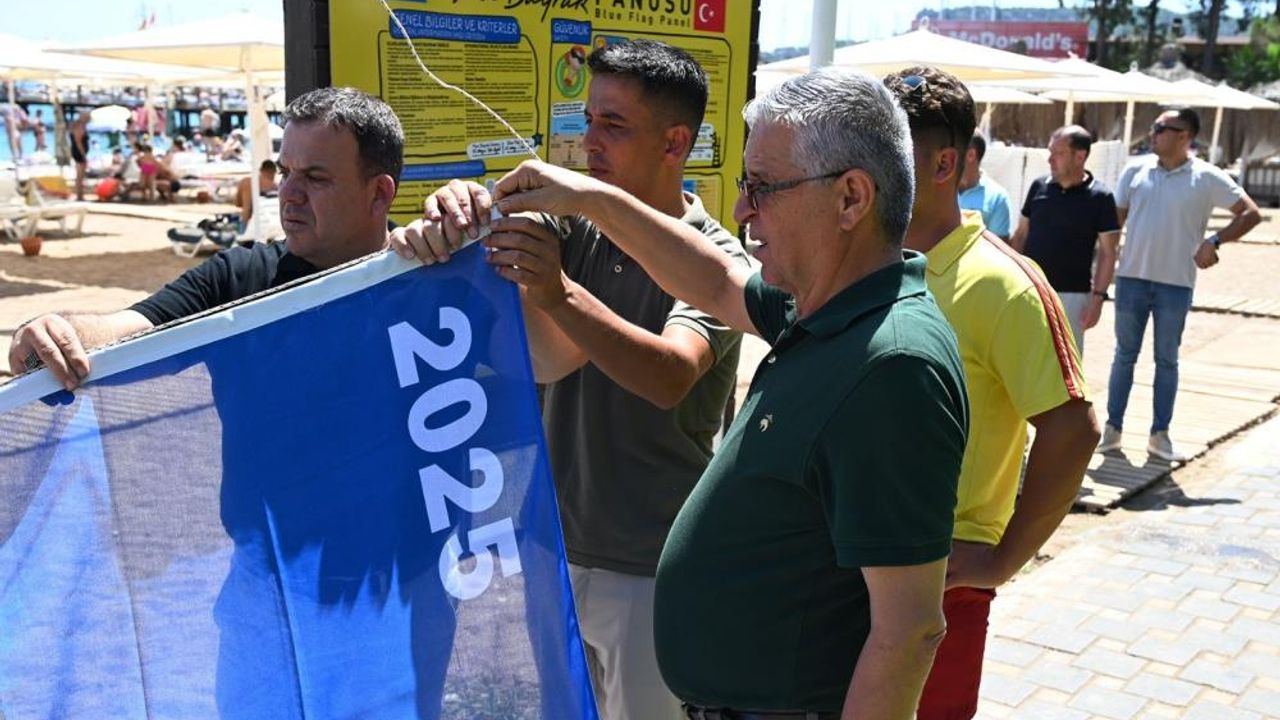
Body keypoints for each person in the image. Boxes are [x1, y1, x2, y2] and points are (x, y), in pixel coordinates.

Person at [449, 68, 969, 719]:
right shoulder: (830, 307)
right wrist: (589, 197)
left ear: (851, 198)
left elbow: (909, 632)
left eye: (763, 188)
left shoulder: (892, 365)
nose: (743, 211)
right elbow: (718, 280)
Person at [391, 39, 747, 720]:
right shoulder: (571, 228)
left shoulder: (714, 256)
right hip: (551, 546)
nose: (589, 144)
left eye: (614, 125)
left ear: (675, 143)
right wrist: (454, 209)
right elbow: (499, 237)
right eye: (588, 120)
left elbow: (670, 375)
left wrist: (558, 293)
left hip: (652, 566)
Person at [884, 67, 1100, 720]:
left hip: (940, 586)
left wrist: (1004, 559)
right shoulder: (862, 265)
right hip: (841, 569)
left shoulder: (1004, 284)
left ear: (944, 163)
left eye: (888, 151)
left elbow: (1073, 428)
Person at [9, 86, 399, 391]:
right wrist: (50, 336)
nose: (289, 194)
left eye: (315, 178)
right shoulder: (239, 279)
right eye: (284, 173)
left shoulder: (422, 267)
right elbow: (128, 331)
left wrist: (439, 239)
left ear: (379, 194)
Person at [1098, 107, 1262, 461]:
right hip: (1131, 280)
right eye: (1154, 127)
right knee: (1124, 356)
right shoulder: (1134, 170)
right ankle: (1112, 430)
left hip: (1176, 284)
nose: (1152, 133)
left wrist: (1214, 241)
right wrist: (1104, 263)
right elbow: (1114, 223)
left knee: (1167, 360)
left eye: (1161, 128)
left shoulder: (1207, 177)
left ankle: (1160, 436)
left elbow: (1251, 213)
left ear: (1184, 135)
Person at [1011, 125, 1121, 352]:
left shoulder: (1101, 197)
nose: (1050, 159)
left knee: (1065, 364)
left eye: (1058, 153)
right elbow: (1021, 235)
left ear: (1080, 156)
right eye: (1050, 152)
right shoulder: (1038, 187)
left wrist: (1098, 299)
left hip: (1073, 297)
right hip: (1029, 290)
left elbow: (1108, 252)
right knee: (1022, 357)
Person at [957, 130, 1015, 240]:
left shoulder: (997, 198)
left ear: (971, 155)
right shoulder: (938, 189)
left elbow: (998, 246)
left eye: (953, 149)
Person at [236, 159, 279, 226]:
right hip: (264, 221)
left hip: (246, 220)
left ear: (261, 170)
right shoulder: (274, 187)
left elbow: (237, 203)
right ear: (274, 172)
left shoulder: (245, 181)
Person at [69, 113, 89, 202]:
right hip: (79, 152)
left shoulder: (78, 125)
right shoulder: (79, 126)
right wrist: (84, 156)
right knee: (80, 175)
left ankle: (80, 195)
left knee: (80, 175)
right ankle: (79, 196)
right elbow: (78, 142)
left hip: (77, 151)